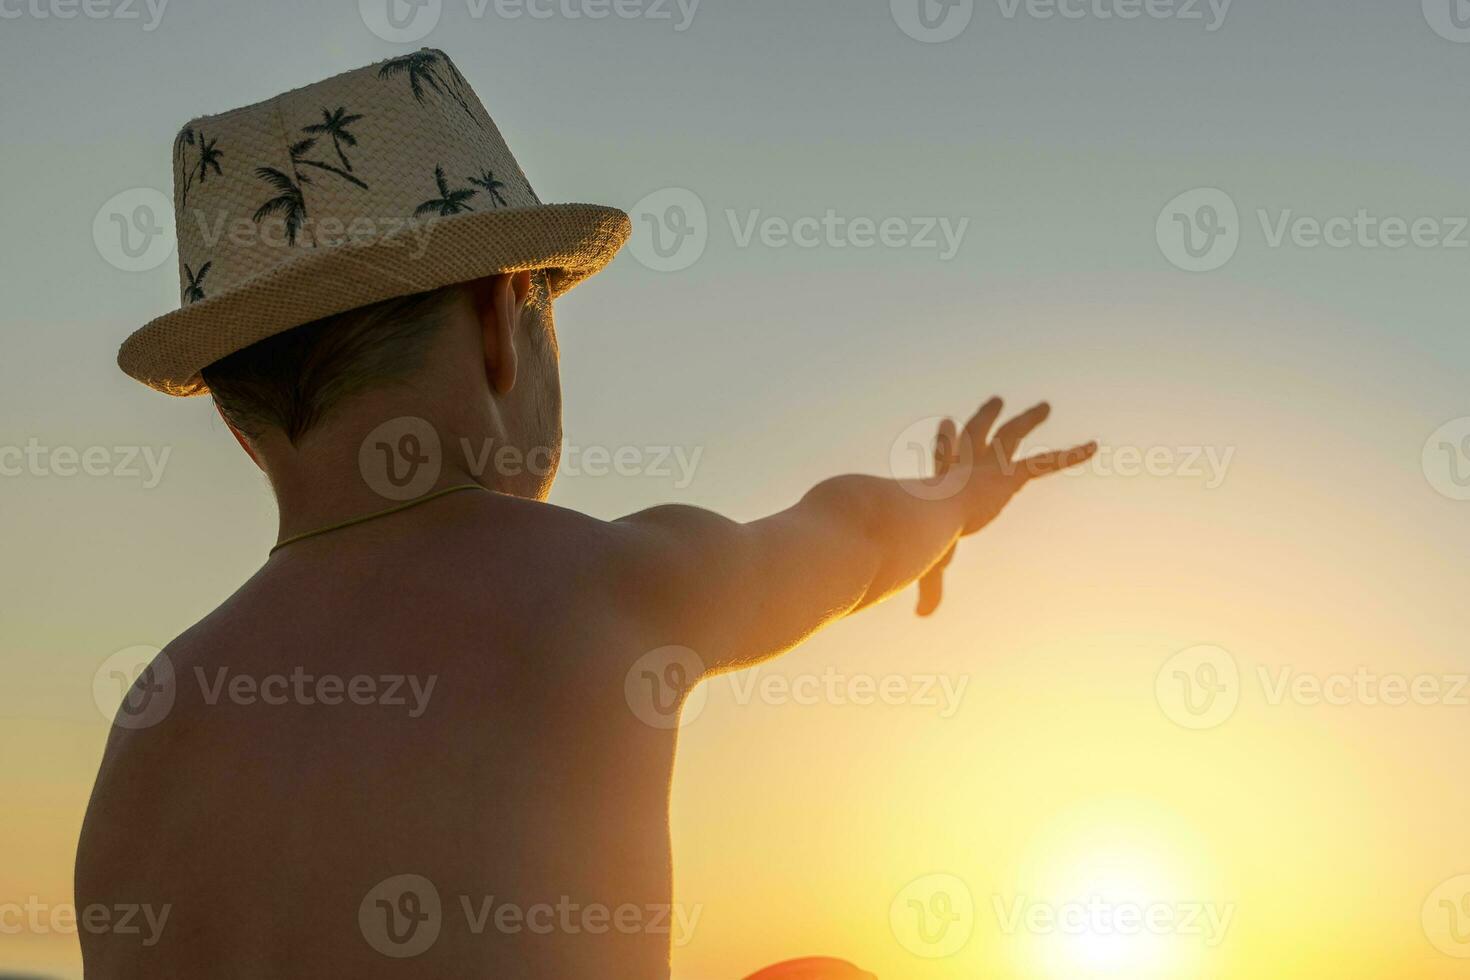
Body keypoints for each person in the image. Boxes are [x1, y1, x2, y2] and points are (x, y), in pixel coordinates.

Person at [77, 49, 1095, 979]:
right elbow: (856, 537)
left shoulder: (152, 717)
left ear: (236, 416)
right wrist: (955, 499)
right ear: (501, 316)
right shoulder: (609, 582)